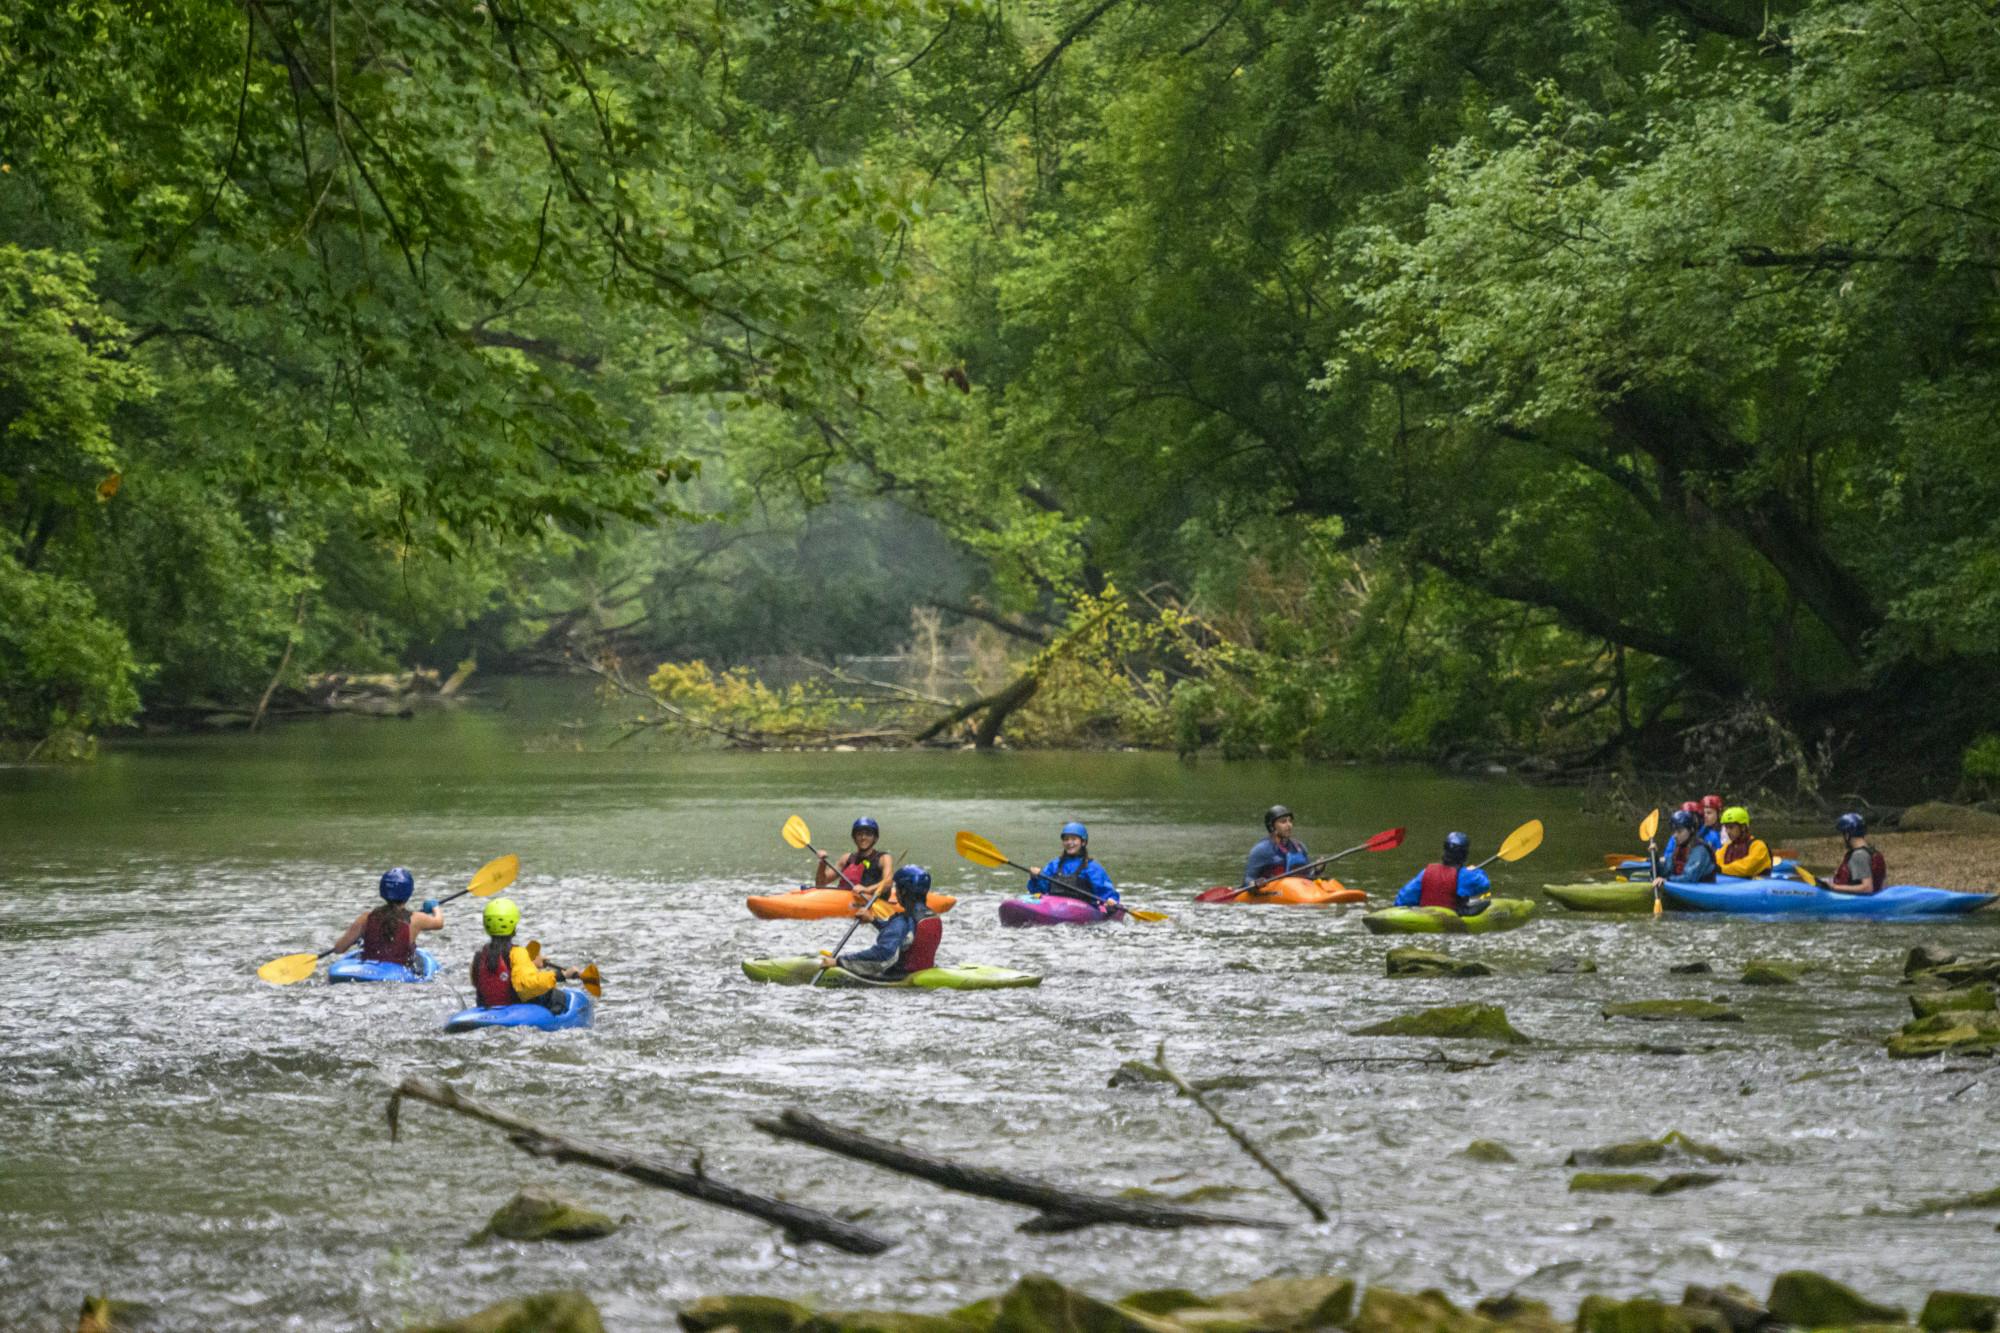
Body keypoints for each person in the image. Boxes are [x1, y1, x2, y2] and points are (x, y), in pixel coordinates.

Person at [823, 865, 943, 980]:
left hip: (898, 977)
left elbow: (882, 954)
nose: (895, 893)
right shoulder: (933, 916)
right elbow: (902, 936)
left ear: (904, 892)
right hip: (924, 972)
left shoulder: (904, 920)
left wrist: (839, 961)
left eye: (897, 888)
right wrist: (873, 920)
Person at [470, 897, 584, 1011]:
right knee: (556, 996)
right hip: (515, 1009)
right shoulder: (517, 953)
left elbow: (493, 980)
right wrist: (561, 975)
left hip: (487, 1008)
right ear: (513, 925)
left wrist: (531, 964)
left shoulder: (479, 956)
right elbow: (527, 985)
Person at [331, 867, 443, 966]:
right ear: (409, 892)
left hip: (369, 968)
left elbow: (338, 948)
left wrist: (357, 938)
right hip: (399, 974)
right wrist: (435, 907)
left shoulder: (365, 918)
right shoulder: (417, 919)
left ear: (382, 891)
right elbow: (439, 922)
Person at [1028, 821, 1120, 910]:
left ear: (1083, 842)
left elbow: (1106, 892)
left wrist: (1111, 900)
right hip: (1055, 907)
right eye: (1066, 839)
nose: (1069, 842)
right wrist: (1035, 878)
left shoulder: (1092, 868)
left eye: (1073, 839)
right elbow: (1040, 891)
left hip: (1083, 911)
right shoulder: (1054, 865)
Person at [1393, 832, 1491, 913]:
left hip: (1425, 915)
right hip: (1451, 916)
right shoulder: (1467, 875)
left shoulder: (1426, 872)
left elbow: (1403, 899)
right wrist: (1475, 871)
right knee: (1486, 901)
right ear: (1464, 855)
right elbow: (1485, 884)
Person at [814, 817, 896, 909]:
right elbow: (820, 884)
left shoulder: (883, 858)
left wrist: (867, 890)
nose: (863, 838)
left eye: (868, 834)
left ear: (875, 838)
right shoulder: (846, 858)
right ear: (854, 837)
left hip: (872, 903)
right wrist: (822, 864)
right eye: (859, 834)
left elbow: (888, 882)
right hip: (844, 902)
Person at [1243, 805, 1312, 889]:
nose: (1289, 825)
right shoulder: (1261, 850)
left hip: (1298, 890)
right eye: (1283, 822)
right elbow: (1247, 879)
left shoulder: (1299, 847)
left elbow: (1309, 875)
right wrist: (1254, 884)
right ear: (1272, 826)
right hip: (1273, 892)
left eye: (1290, 821)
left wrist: (1318, 869)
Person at [1651, 809, 1718, 890]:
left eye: (1679, 831)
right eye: (1673, 831)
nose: (1674, 835)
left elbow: (1690, 878)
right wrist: (1655, 858)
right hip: (1687, 884)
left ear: (1691, 830)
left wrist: (1667, 880)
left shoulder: (1700, 850)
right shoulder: (1679, 847)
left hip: (1705, 889)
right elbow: (1666, 871)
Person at [1825, 812, 1887, 895]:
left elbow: (1867, 888)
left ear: (1847, 835)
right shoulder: (1871, 851)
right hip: (1872, 897)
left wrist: (1834, 887)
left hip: (1857, 900)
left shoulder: (1858, 856)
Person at [1715, 806, 1773, 879]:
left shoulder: (1758, 845)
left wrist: (1721, 869)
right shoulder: (1727, 847)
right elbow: (1716, 862)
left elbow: (1747, 868)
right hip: (1734, 885)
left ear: (1743, 827)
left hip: (1757, 885)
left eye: (1731, 827)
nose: (1728, 831)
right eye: (1726, 827)